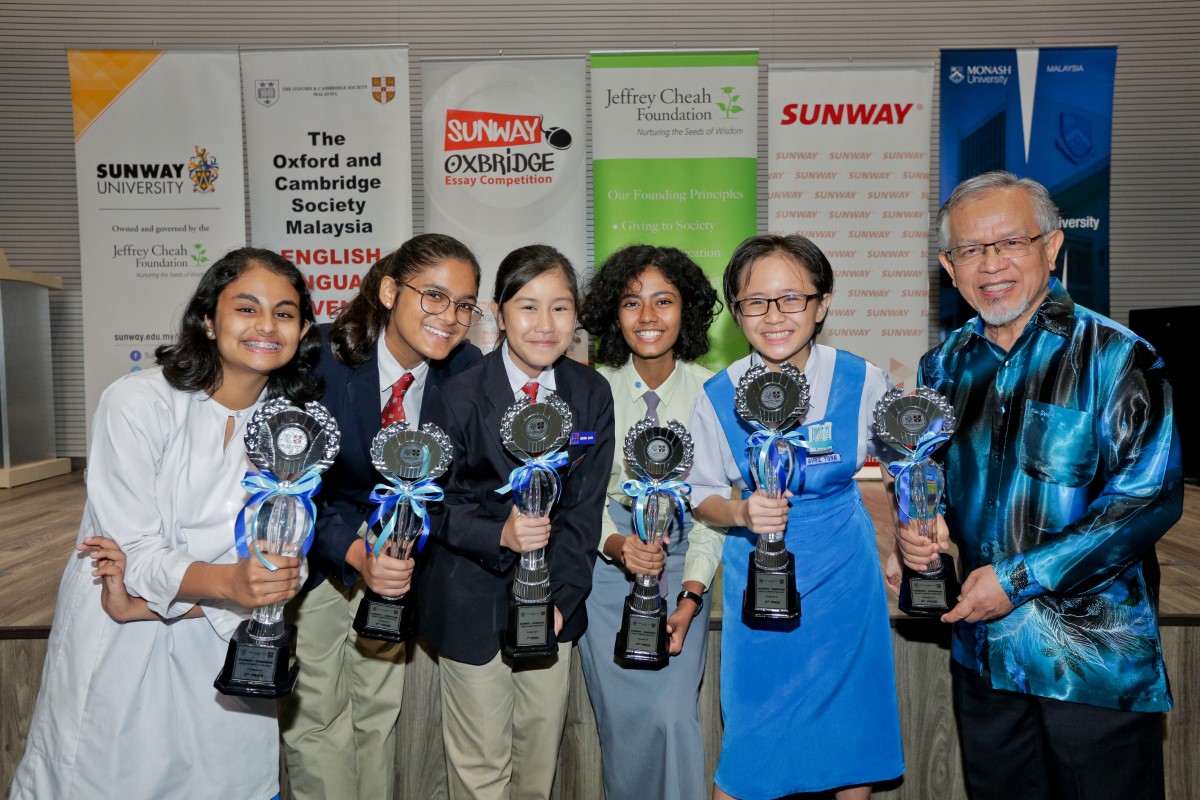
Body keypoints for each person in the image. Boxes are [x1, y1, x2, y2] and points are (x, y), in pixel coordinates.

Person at [895, 171, 1182, 800]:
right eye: (971, 250)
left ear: (1051, 248)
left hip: (1091, 664)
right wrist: (921, 532)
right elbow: (929, 475)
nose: (990, 265)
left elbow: (1146, 500)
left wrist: (1017, 578)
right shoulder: (940, 366)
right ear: (949, 265)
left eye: (1011, 243)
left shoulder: (1118, 357)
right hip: (984, 657)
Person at [11, 248, 322, 800]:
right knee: (114, 774)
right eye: (246, 308)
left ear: (301, 330)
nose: (266, 326)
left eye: (285, 312)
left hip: (225, 638)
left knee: (226, 778)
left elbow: (280, 570)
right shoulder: (137, 402)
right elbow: (132, 549)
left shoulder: (293, 429)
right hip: (122, 637)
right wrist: (229, 584)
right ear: (208, 319)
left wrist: (234, 591)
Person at [688, 234, 904, 800]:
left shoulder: (864, 381)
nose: (774, 316)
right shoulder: (718, 394)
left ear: (822, 304)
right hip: (758, 572)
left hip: (844, 571)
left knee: (850, 743)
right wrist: (740, 510)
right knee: (750, 746)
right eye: (755, 302)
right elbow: (701, 491)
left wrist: (907, 538)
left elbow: (901, 466)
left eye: (792, 299)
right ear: (737, 313)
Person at [279, 234, 483, 800]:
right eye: (435, 297)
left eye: (464, 305)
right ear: (391, 290)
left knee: (378, 706)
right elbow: (288, 481)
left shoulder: (466, 368)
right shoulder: (320, 358)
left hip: (404, 558)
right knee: (315, 711)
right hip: (322, 545)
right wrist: (351, 550)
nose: (451, 317)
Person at [419, 244, 615, 800]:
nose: (545, 324)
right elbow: (433, 505)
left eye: (560, 307)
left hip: (550, 608)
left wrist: (564, 597)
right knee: (482, 773)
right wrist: (497, 533)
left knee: (537, 766)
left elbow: (585, 507)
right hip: (471, 603)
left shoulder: (590, 393)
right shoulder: (456, 394)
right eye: (528, 307)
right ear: (500, 314)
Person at [575, 244, 722, 800]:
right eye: (633, 303)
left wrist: (691, 594)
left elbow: (713, 508)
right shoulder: (590, 392)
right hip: (608, 570)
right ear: (615, 313)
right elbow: (572, 501)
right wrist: (614, 545)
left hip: (684, 563)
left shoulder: (714, 391)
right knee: (625, 726)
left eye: (664, 301)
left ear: (687, 310)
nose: (648, 317)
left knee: (672, 717)